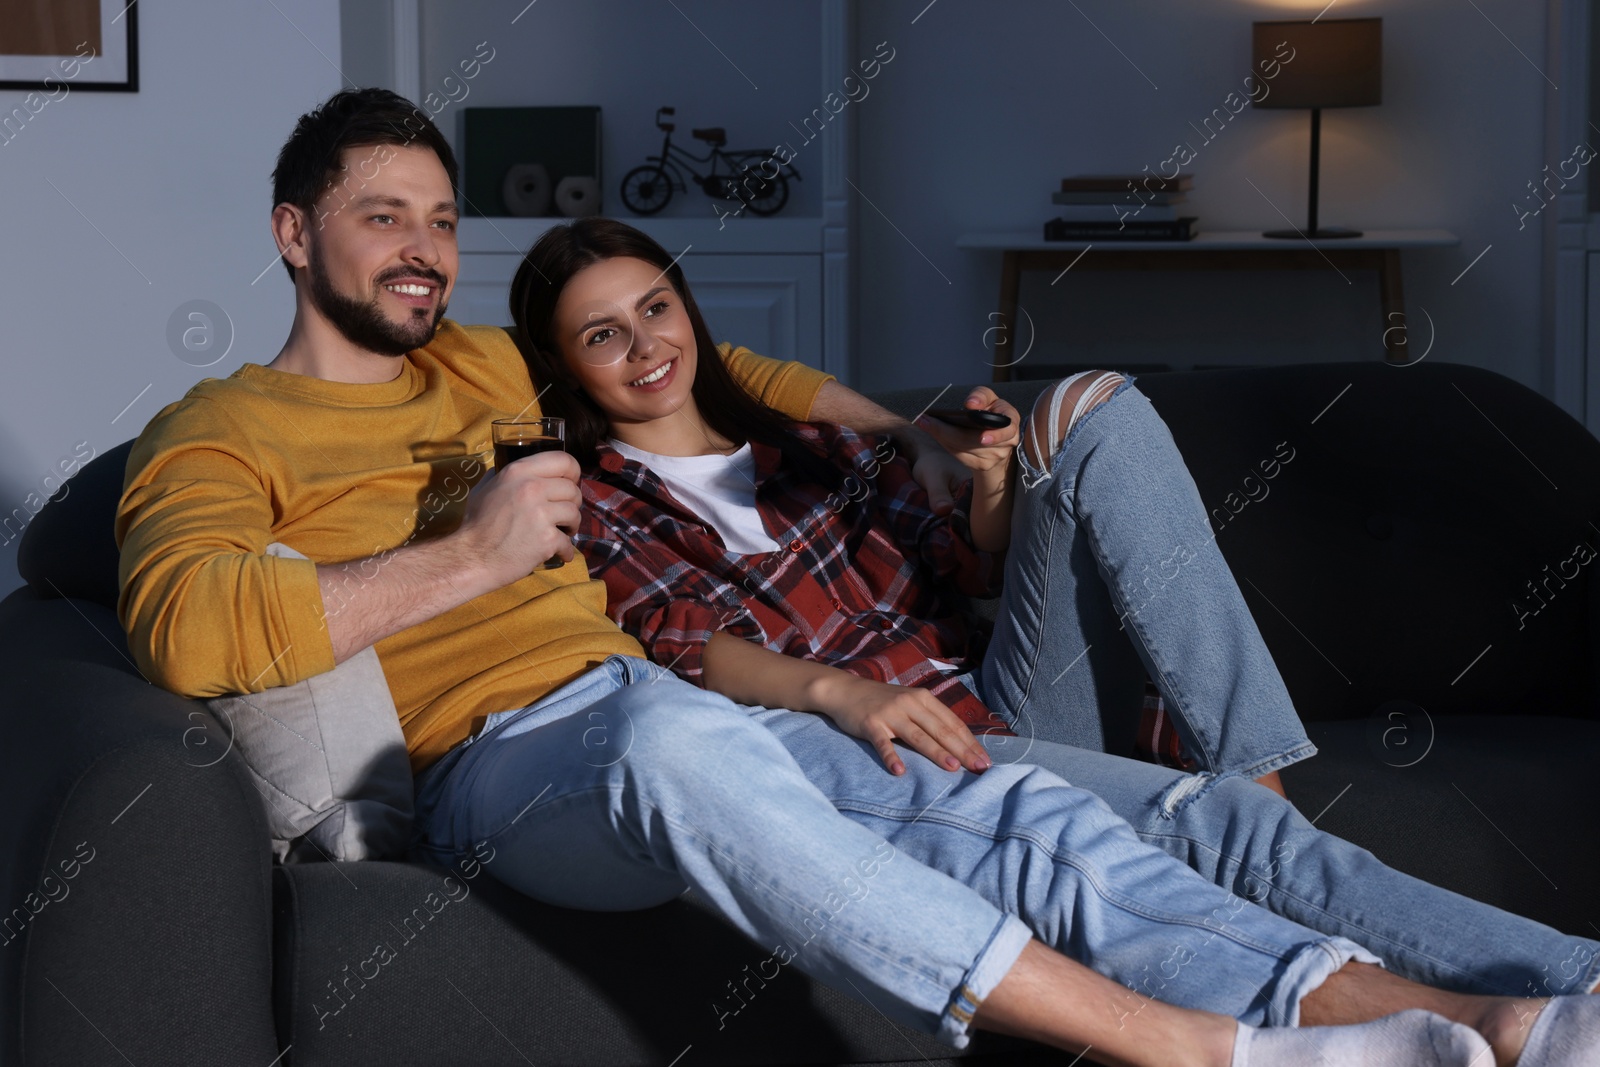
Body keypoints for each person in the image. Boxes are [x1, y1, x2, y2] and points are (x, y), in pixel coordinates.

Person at [114, 90, 1592, 1066]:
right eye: (386, 218)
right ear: (292, 233)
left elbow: (726, 362)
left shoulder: (491, 365)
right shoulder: (217, 429)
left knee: (1017, 805)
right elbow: (190, 628)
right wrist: (470, 553)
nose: (424, 251)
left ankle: (1450, 1019)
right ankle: (1192, 1046)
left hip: (685, 713)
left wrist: (919, 440)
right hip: (500, 762)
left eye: (442, 220)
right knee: (669, 724)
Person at [511, 215, 1600, 1064]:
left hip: (1004, 702)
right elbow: (678, 646)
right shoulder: (591, 500)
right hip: (887, 763)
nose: (645, 344)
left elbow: (969, 574)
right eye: (602, 333)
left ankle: (1264, 780)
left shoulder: (815, 441)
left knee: (1091, 401)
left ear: (690, 311)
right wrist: (835, 694)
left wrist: (986, 489)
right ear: (568, 367)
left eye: (655, 307)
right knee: (1221, 830)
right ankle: (1287, 846)